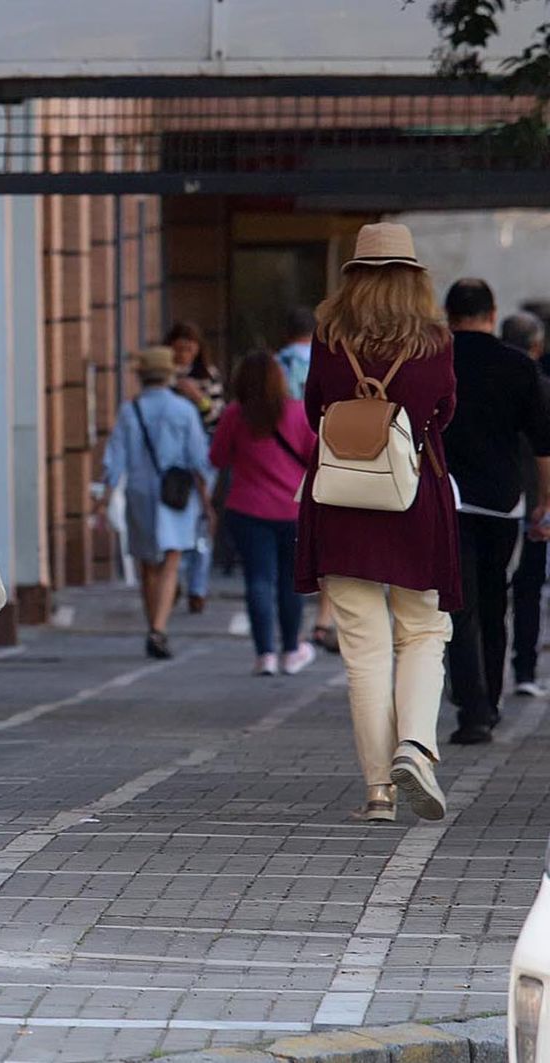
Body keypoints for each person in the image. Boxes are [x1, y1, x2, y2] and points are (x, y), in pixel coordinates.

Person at [294, 222, 457, 823]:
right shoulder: (434, 338)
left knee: (364, 651)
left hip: (341, 498)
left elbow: (314, 407)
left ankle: (377, 793)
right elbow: (445, 408)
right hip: (414, 498)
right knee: (422, 631)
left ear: (354, 277)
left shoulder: (328, 335)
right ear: (414, 276)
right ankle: (414, 745)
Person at [441, 280, 550, 744]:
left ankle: (473, 710)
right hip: (504, 503)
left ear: (448, 316)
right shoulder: (520, 367)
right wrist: (545, 501)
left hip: (446, 500)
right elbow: (544, 445)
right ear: (492, 313)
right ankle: (494, 697)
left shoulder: (435, 363)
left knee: (457, 605)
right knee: (493, 601)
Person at [95, 347, 215, 661]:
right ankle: (158, 629)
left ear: (141, 377)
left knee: (147, 562)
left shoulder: (129, 411)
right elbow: (198, 459)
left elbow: (114, 458)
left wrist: (104, 498)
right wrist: (207, 502)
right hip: (176, 493)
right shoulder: (184, 410)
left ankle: (154, 625)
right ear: (171, 376)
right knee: (172, 558)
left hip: (140, 492)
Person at [210, 352, 317, 676]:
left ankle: (264, 655)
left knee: (257, 579)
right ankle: (290, 651)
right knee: (289, 582)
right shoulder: (298, 414)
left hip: (247, 509)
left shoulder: (234, 415)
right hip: (293, 509)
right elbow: (315, 456)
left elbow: (217, 458)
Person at [278, 307, 342, 656]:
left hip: (283, 459)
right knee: (328, 543)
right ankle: (323, 621)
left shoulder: (277, 364)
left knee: (296, 547)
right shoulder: (329, 360)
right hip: (324, 452)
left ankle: (296, 625)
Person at [502, 310, 550, 698]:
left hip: (494, 498)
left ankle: (478, 672)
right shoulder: (542, 386)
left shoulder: (480, 382)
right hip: (533, 502)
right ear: (536, 346)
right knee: (529, 590)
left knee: (484, 590)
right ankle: (524, 671)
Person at [165, 321, 223, 614]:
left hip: (202, 455)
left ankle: (197, 585)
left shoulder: (207, 377)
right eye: (179, 349)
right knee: (175, 518)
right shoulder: (163, 379)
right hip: (170, 459)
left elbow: (216, 416)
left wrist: (197, 398)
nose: (184, 355)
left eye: (189, 349)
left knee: (201, 518)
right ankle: (172, 577)